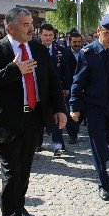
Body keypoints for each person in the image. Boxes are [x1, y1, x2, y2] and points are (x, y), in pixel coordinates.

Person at [0, 7, 67, 216]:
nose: (31, 28)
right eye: (25, 24)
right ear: (10, 27)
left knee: (24, 171)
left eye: (31, 23)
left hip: (33, 119)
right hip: (7, 122)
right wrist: (13, 70)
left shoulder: (38, 49)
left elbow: (53, 80)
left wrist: (59, 109)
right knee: (11, 172)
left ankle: (19, 205)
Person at [70, 14, 109, 201]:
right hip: (94, 108)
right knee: (97, 145)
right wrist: (74, 106)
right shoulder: (87, 53)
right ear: (99, 32)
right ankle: (103, 184)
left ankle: (99, 161)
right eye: (106, 33)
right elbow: (77, 82)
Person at [39, 23, 67, 157]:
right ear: (40, 35)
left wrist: (66, 87)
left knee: (57, 116)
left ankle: (58, 146)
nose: (48, 38)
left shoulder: (60, 50)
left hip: (56, 90)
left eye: (50, 35)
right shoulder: (34, 50)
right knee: (38, 118)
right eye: (45, 35)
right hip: (39, 90)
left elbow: (66, 70)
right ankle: (37, 144)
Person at [61, 31, 83, 144]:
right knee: (71, 111)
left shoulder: (85, 52)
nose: (77, 44)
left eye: (79, 42)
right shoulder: (65, 53)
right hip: (69, 87)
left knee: (82, 111)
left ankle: (76, 128)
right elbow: (62, 72)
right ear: (70, 42)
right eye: (74, 42)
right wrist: (64, 87)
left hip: (83, 88)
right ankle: (72, 135)